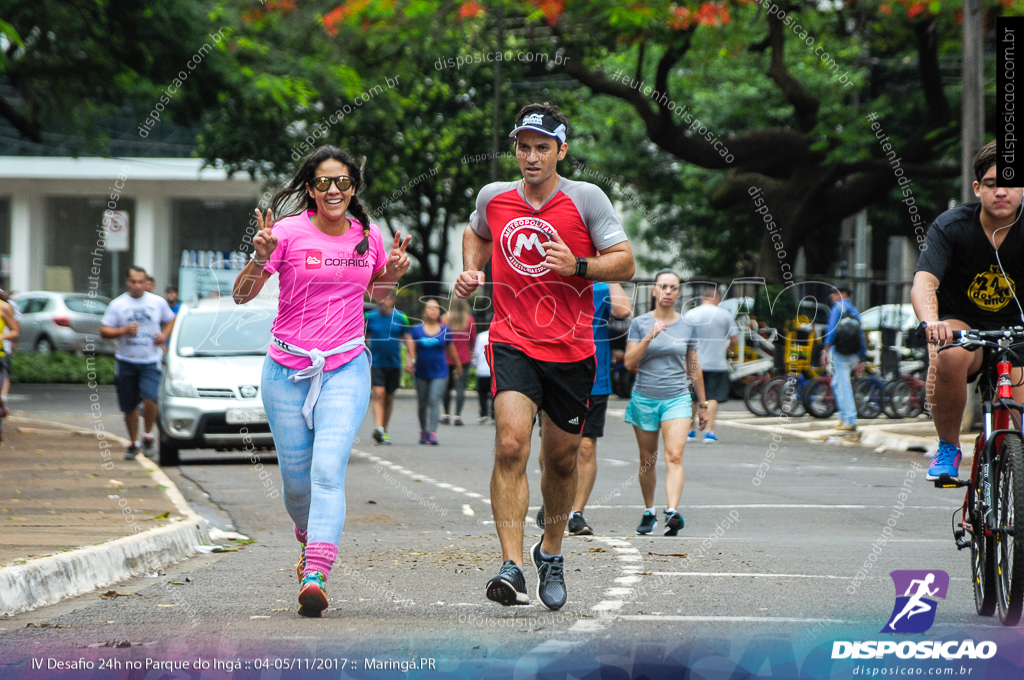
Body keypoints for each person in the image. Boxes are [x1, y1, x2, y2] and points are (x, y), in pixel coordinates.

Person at [455, 103, 635, 610]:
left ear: (561, 150)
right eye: (524, 147)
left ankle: (550, 552)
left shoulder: (586, 199)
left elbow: (624, 262)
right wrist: (473, 270)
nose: (531, 157)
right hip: (512, 338)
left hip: (573, 348)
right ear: (515, 148)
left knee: (560, 460)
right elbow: (477, 231)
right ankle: (511, 564)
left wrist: (579, 265)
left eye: (542, 147)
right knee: (510, 445)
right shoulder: (494, 197)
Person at [231, 145, 411, 617]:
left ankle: (316, 573)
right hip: (286, 369)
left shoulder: (367, 237)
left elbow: (382, 298)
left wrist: (390, 274)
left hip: (346, 364)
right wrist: (258, 258)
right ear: (310, 189)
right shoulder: (285, 234)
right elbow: (241, 297)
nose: (334, 190)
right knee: (296, 484)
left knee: (327, 471)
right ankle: (309, 536)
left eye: (343, 182)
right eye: (324, 182)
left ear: (354, 188)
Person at [912, 140, 1024, 480]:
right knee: (948, 355)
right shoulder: (952, 226)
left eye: (1010, 183)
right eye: (991, 184)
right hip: (965, 327)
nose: (1001, 192)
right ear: (978, 188)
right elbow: (924, 282)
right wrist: (931, 321)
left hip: (1018, 333)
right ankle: (948, 446)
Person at [536, 282, 631, 535]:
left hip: (594, 378)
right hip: (555, 374)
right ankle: (551, 500)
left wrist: (611, 273)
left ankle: (576, 513)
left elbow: (622, 311)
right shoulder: (552, 278)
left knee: (586, 447)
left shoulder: (601, 286)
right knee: (551, 448)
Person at [624, 269, 707, 536]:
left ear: (679, 292)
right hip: (645, 397)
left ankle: (672, 512)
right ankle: (650, 513)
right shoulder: (639, 323)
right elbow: (629, 362)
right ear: (654, 290)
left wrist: (702, 404)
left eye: (673, 287)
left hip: (677, 399)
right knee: (647, 458)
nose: (668, 292)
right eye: (664, 286)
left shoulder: (687, 325)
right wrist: (650, 336)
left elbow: (693, 366)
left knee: (674, 455)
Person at [100, 266, 176, 460]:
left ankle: (148, 435)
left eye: (141, 282)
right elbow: (104, 331)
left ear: (146, 282)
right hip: (126, 360)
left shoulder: (157, 302)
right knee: (129, 405)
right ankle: (133, 442)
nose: (137, 285)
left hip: (150, 360)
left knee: (150, 397)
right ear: (127, 282)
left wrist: (164, 336)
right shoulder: (118, 304)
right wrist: (123, 331)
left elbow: (171, 319)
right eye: (134, 282)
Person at [684, 285, 738, 443]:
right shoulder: (725, 315)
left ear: (703, 298)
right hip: (717, 362)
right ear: (717, 298)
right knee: (713, 397)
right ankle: (709, 432)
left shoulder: (691, 314)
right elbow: (734, 339)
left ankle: (691, 430)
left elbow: (684, 340)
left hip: (695, 363)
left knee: (694, 398)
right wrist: (728, 348)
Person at [405, 299, 461, 444]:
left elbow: (452, 349)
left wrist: (458, 366)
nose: (434, 311)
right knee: (422, 403)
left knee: (434, 400)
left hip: (440, 372)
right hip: (422, 372)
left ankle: (432, 432)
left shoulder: (445, 330)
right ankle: (423, 430)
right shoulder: (417, 330)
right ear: (425, 312)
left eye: (436, 308)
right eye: (430, 308)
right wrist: (410, 362)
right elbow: (411, 350)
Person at [365, 291, 410, 445]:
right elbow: (362, 338)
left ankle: (384, 429)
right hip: (376, 362)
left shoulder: (400, 317)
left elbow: (408, 338)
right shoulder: (369, 317)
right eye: (379, 298)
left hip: (394, 363)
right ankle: (379, 428)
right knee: (379, 393)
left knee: (389, 396)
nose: (382, 301)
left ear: (392, 300)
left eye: (385, 298)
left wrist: (411, 358)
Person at [822, 284, 866, 432]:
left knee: (844, 385)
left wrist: (825, 350)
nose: (831, 296)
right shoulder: (854, 310)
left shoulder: (837, 308)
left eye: (834, 293)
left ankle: (850, 419)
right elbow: (861, 334)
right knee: (837, 384)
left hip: (840, 353)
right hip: (854, 353)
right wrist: (862, 358)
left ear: (843, 293)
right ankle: (843, 417)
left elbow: (831, 330)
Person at [441, 298, 477, 426]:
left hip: (446, 357)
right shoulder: (469, 320)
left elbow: (441, 337)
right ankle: (457, 416)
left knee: (446, 387)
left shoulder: (445, 319)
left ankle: (445, 414)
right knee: (460, 387)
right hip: (464, 358)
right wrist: (473, 351)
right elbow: (473, 339)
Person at [0, 289, 20, 426]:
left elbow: (15, 330)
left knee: (5, 377)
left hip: (0, 355)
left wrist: (2, 336)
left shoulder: (4, 307)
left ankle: (2, 398)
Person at [473, 323, 493, 423]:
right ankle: (494, 414)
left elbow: (476, 352)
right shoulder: (498, 335)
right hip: (494, 369)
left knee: (482, 393)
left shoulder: (481, 336)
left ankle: (483, 413)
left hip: (482, 369)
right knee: (494, 392)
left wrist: (475, 363)